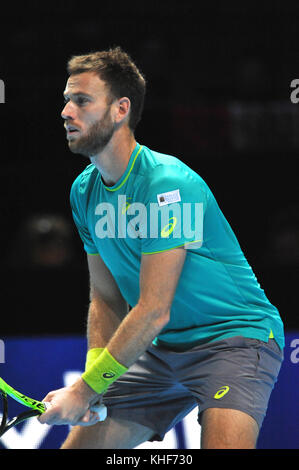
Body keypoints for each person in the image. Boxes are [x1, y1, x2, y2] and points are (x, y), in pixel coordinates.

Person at [38, 46, 284, 449]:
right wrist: (95, 380)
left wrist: (81, 392)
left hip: (234, 339)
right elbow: (105, 296)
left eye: (81, 101)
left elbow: (153, 309)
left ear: (121, 109)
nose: (66, 112)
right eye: (66, 100)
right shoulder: (84, 191)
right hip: (162, 347)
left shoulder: (168, 185)